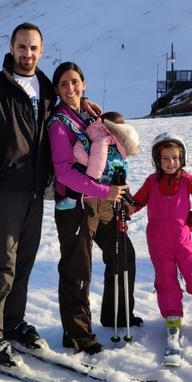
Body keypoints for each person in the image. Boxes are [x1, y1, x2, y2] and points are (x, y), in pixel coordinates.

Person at [0, 23, 100, 366]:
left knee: (23, 260)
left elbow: (66, 115)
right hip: (4, 187)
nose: (28, 53)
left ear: (41, 49)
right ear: (11, 46)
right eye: (22, 47)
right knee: (0, 262)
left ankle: (10, 322)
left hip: (36, 190)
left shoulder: (48, 89)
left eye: (34, 48)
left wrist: (84, 107)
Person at [48, 62, 142, 355]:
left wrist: (121, 191)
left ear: (84, 84)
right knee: (79, 268)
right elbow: (64, 172)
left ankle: (117, 314)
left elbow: (112, 152)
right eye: (63, 84)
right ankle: (76, 334)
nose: (70, 88)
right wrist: (106, 190)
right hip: (75, 205)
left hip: (104, 202)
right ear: (57, 90)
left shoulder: (90, 113)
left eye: (75, 82)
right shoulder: (58, 124)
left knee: (122, 253)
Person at [131, 132, 192, 354]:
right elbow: (136, 202)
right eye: (165, 158)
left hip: (182, 240)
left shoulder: (187, 180)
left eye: (175, 158)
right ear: (158, 160)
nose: (171, 163)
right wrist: (124, 210)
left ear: (182, 158)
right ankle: (172, 320)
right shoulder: (151, 181)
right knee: (165, 282)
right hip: (158, 243)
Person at [55, 111, 140, 210]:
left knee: (78, 172)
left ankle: (71, 200)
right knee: (119, 181)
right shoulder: (114, 135)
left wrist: (92, 172)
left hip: (98, 168)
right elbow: (121, 153)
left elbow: (99, 153)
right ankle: (127, 200)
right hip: (107, 167)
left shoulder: (102, 134)